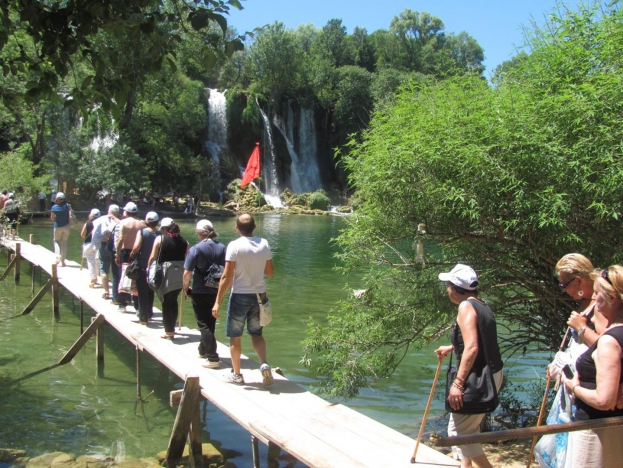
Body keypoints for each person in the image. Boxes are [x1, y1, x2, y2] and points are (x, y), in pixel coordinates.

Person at [434, 264, 504, 468]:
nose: (447, 290)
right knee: (467, 428)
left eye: (448, 285)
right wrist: (453, 346)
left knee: (459, 434)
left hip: (477, 377)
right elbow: (479, 339)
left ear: (455, 288)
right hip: (492, 373)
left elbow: (472, 347)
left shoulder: (465, 307)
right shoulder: (481, 304)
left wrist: (458, 383)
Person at [563, 265, 623, 468]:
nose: (594, 300)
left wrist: (573, 387)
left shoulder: (609, 341)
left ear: (612, 299)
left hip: (597, 430)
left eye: (597, 293)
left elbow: (604, 401)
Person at [212, 214, 275, 386]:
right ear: (255, 227)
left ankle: (237, 375)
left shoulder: (234, 246)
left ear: (237, 228)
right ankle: (263, 363)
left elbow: (226, 276)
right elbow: (270, 273)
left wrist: (217, 301)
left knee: (235, 336)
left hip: (239, 295)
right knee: (257, 334)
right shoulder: (264, 244)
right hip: (259, 296)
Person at [183, 220, 226, 368]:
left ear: (199, 233)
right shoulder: (222, 248)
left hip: (200, 290)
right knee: (210, 322)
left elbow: (187, 272)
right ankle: (203, 349)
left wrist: (185, 289)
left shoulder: (195, 249)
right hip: (216, 290)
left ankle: (213, 358)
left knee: (203, 323)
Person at [148, 218, 188, 339]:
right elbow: (188, 257)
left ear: (165, 229)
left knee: (166, 302)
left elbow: (153, 257)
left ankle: (169, 331)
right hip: (180, 274)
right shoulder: (185, 241)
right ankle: (171, 328)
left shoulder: (159, 239)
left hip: (166, 273)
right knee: (173, 300)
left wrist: (148, 269)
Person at [131, 211, 160, 324]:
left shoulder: (142, 233)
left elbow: (137, 247)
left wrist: (132, 253)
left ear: (147, 221)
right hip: (155, 267)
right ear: (157, 222)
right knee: (150, 290)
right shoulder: (160, 235)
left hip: (143, 266)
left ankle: (143, 318)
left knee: (142, 292)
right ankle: (149, 313)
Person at [115, 202, 142, 311]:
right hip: (138, 252)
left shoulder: (123, 223)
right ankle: (137, 306)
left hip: (126, 252)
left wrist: (117, 253)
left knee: (124, 276)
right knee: (136, 277)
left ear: (126, 212)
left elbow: (120, 239)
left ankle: (122, 304)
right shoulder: (142, 224)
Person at [92, 204, 120, 300]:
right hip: (115, 247)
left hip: (104, 245)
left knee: (104, 269)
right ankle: (117, 294)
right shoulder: (119, 222)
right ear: (117, 212)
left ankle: (106, 292)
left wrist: (97, 243)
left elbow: (94, 231)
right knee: (116, 271)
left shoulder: (101, 219)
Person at [50, 192, 71, 266]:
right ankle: (63, 261)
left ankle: (58, 255)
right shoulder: (68, 206)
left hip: (58, 226)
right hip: (67, 227)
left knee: (56, 241)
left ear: (57, 199)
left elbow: (52, 218)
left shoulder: (54, 207)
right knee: (64, 243)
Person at [81, 208, 101, 287]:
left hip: (88, 244)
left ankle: (93, 278)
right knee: (98, 261)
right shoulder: (102, 223)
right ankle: (97, 277)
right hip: (98, 244)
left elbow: (82, 235)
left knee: (91, 262)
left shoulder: (88, 223)